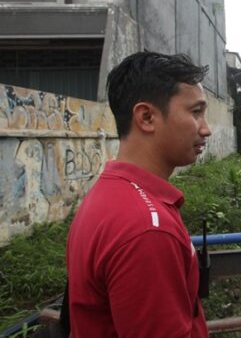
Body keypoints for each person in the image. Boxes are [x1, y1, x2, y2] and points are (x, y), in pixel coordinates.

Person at [66, 52, 212, 337]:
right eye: (196, 112)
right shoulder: (148, 228)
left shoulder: (109, 193)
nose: (206, 129)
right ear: (146, 117)